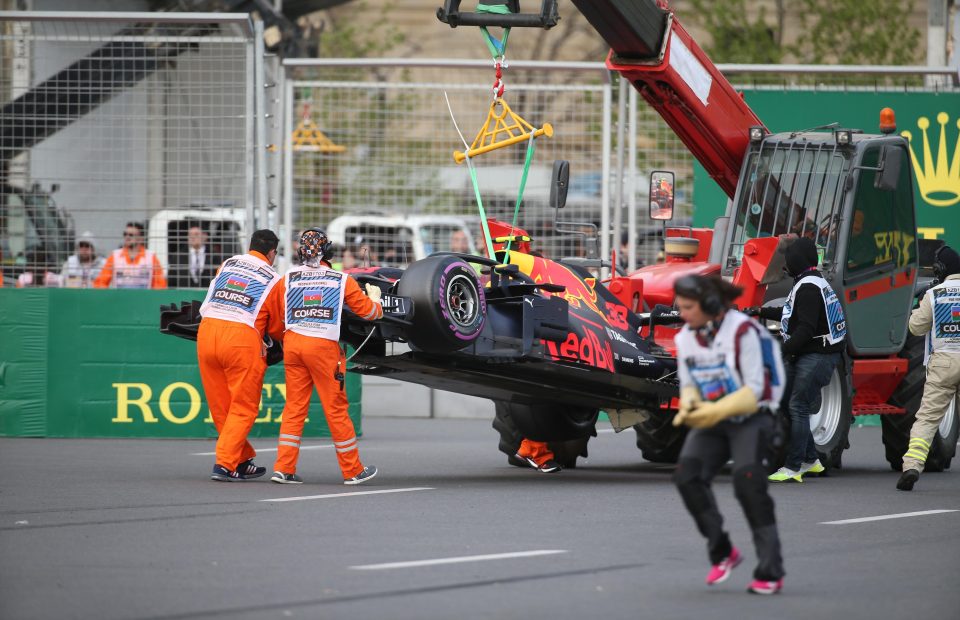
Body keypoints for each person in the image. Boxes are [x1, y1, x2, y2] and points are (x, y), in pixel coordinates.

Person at [671, 275, 786, 595]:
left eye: (688, 307)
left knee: (747, 481)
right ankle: (723, 551)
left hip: (752, 416)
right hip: (714, 418)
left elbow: (755, 390)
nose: (683, 314)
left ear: (710, 305)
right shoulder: (685, 338)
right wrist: (691, 401)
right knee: (686, 476)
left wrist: (710, 412)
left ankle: (770, 570)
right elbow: (690, 381)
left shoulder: (744, 332)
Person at [270, 228, 383, 485]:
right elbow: (368, 313)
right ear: (327, 252)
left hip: (293, 344)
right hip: (322, 347)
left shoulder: (287, 278)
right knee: (335, 409)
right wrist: (376, 301)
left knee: (294, 408)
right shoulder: (341, 279)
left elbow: (277, 316)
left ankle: (283, 468)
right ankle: (352, 470)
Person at [197, 229, 285, 481]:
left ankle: (242, 460)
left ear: (251, 245)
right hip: (240, 338)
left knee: (221, 404)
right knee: (244, 406)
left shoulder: (228, 263)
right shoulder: (273, 278)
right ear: (272, 253)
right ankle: (224, 464)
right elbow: (276, 324)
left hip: (207, 332)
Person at [758, 237, 846, 482]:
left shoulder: (807, 287)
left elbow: (805, 328)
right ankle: (811, 460)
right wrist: (759, 311)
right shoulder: (811, 282)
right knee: (793, 404)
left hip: (818, 354)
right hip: (819, 352)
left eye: (788, 259)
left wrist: (783, 351)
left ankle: (793, 466)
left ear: (796, 260)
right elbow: (790, 312)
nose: (786, 264)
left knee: (797, 406)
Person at [896, 245, 960, 491]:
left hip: (942, 362)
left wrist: (922, 302)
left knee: (927, 418)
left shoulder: (934, 294)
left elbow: (915, 328)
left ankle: (912, 466)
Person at [93, 222, 167, 289]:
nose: (127, 237)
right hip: (119, 301)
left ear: (141, 238)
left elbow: (160, 285)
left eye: (131, 235)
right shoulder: (115, 256)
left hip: (143, 301)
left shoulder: (151, 257)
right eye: (125, 234)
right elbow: (101, 283)